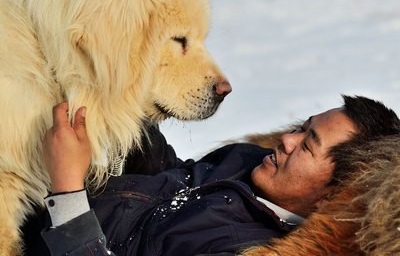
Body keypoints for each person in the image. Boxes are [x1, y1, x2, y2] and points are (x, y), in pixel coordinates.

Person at [22, 95, 400, 255]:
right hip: (31, 201)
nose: (286, 139)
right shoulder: (251, 164)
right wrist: (136, 121)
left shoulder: (240, 246)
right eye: (302, 126)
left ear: (329, 197)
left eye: (307, 145)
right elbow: (176, 178)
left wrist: (68, 189)